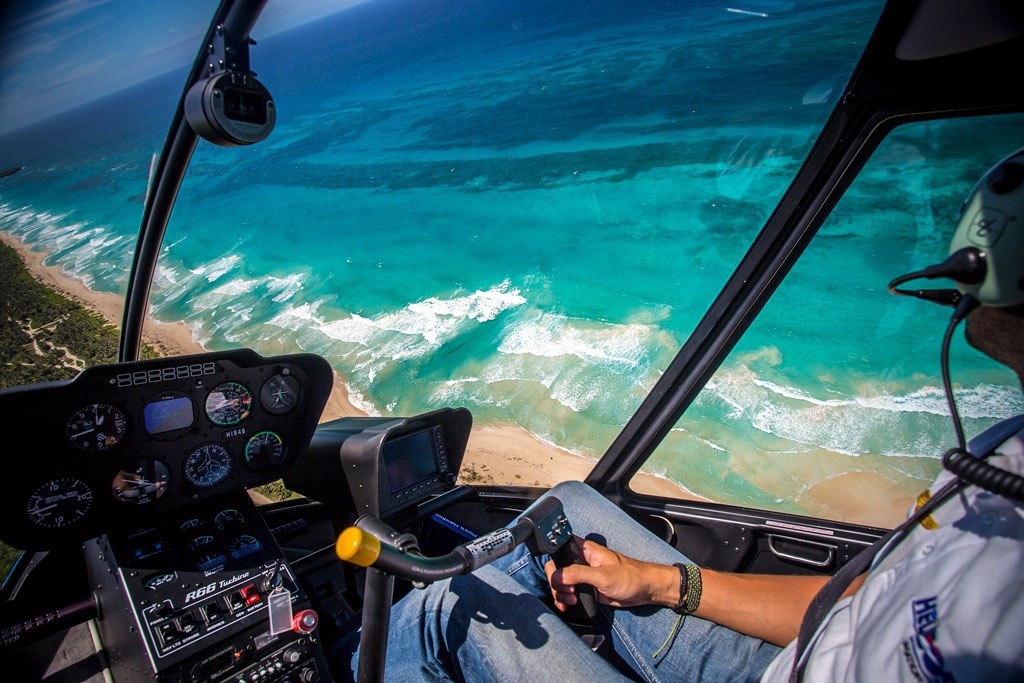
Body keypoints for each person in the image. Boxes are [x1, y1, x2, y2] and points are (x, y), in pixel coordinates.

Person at [340, 152, 1024, 682]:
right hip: (803, 651)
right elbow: (866, 597)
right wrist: (659, 582)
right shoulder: (1002, 453)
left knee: (442, 607)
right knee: (570, 505)